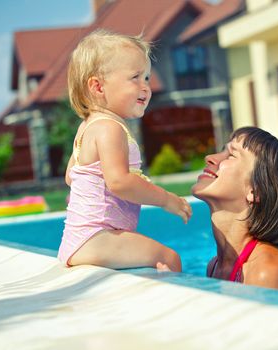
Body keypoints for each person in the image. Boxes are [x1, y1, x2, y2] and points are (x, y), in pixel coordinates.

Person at [57, 29, 192, 272]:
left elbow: (71, 176)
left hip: (80, 239)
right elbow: (119, 182)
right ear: (98, 87)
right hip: (97, 237)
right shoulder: (110, 128)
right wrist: (166, 200)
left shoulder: (88, 126)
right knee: (169, 259)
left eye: (148, 78)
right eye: (135, 77)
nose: (146, 87)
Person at [192, 127, 278, 295]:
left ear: (256, 191)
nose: (210, 158)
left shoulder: (266, 272)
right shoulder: (215, 267)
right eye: (222, 151)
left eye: (231, 155)